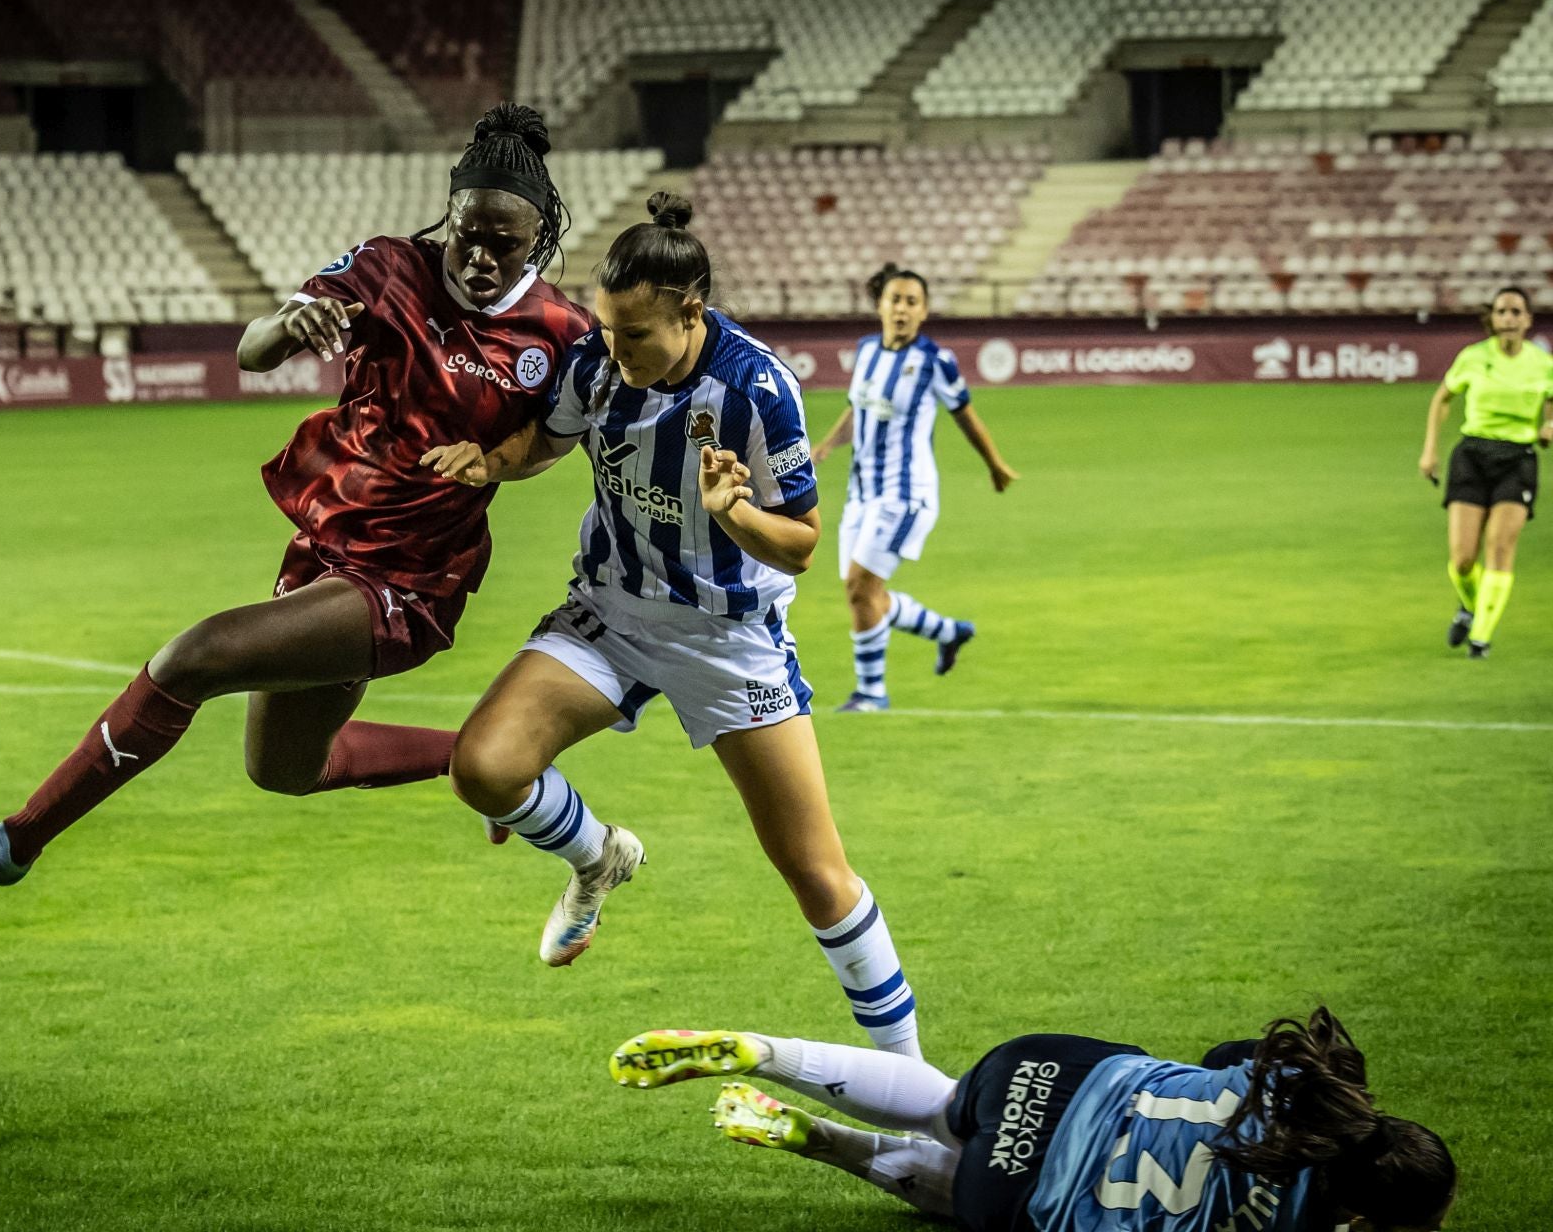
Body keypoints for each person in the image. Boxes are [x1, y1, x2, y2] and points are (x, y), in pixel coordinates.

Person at [0, 104, 589, 884]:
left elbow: (556, 439)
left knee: (193, 658)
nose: (482, 257)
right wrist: (293, 325)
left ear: (541, 241)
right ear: (450, 213)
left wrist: (493, 462)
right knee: (285, 768)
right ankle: (490, 768)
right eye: (468, 233)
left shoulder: (561, 331)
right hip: (329, 547)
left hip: (411, 580)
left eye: (506, 244)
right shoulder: (391, 266)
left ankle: (13, 843)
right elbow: (253, 350)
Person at [422, 194, 923, 1057]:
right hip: (610, 612)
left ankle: (916, 1085)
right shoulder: (598, 361)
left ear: (691, 313)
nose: (615, 351)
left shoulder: (759, 389)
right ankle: (597, 856)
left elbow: (801, 544)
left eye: (635, 335)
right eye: (608, 331)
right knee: (485, 769)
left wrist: (734, 515)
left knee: (814, 872)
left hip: (728, 638)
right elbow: (545, 440)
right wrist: (489, 461)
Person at [608, 1006, 1455, 1232]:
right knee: (968, 1194)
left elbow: (1221, 1054)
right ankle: (827, 1143)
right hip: (1016, 1188)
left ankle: (765, 1050)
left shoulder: (1308, 1089)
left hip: (1047, 1068)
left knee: (945, 1103)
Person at [810, 264, 1016, 711]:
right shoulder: (866, 351)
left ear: (923, 312)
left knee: (861, 590)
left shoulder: (934, 361)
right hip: (861, 492)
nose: (901, 309)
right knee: (863, 593)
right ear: (880, 304)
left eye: (911, 302)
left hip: (905, 494)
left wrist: (994, 464)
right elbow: (857, 410)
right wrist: (826, 446)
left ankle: (871, 693)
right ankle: (949, 631)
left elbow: (965, 413)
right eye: (895, 300)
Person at [1418, 285, 1553, 658]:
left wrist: (1549, 427)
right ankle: (1470, 606)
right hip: (1473, 455)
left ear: (1527, 320)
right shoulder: (1473, 358)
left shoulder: (1543, 364)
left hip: (1517, 458)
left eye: (1515, 312)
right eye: (1501, 312)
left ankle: (1481, 638)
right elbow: (1443, 398)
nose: (1508, 318)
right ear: (1492, 319)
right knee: (1462, 559)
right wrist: (1430, 449)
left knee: (1499, 547)